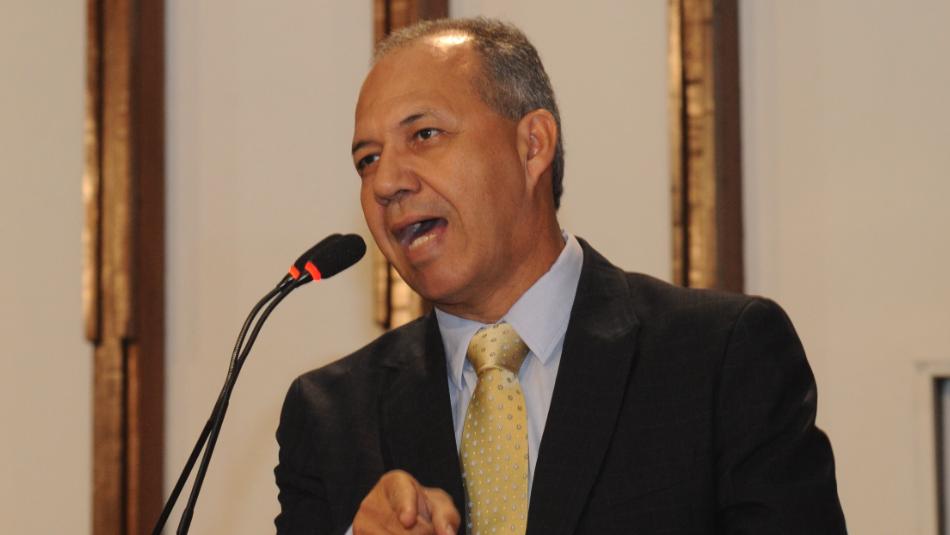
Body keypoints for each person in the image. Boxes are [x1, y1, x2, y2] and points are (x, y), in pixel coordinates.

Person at [274, 17, 846, 535]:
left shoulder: (718, 358)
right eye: (367, 159)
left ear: (533, 145)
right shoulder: (329, 416)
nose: (385, 183)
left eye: (424, 135)